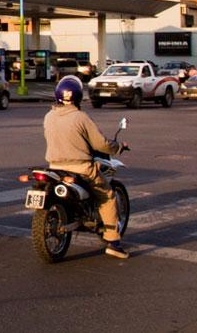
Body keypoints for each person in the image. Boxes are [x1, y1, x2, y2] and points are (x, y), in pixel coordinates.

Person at [43, 75, 129, 259]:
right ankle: (113, 242)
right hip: (80, 168)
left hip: (54, 167)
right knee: (107, 196)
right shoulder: (81, 117)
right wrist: (118, 147)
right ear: (79, 96)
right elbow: (100, 144)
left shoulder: (49, 116)